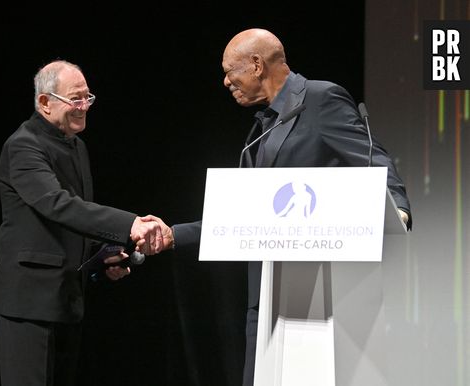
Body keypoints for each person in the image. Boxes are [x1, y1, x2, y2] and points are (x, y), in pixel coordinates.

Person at [142, 28, 412, 386]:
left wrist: (398, 206)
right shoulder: (262, 127)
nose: (225, 81)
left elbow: (370, 156)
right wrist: (173, 235)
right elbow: (242, 218)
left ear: (256, 65)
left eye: (229, 71)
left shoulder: (320, 99)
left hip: (323, 296)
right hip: (269, 294)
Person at [0, 59, 164, 386]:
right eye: (75, 99)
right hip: (29, 303)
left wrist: (105, 254)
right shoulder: (23, 145)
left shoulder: (76, 146)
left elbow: (79, 216)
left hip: (66, 299)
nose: (84, 106)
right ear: (45, 102)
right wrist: (131, 225)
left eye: (88, 98)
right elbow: (59, 205)